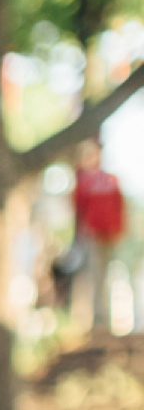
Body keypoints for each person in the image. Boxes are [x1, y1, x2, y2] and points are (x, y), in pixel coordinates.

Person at [70, 141, 127, 334]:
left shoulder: (111, 180)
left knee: (107, 275)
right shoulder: (83, 181)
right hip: (91, 236)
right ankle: (96, 320)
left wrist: (118, 231)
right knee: (92, 275)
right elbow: (78, 209)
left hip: (109, 236)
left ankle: (106, 320)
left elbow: (119, 207)